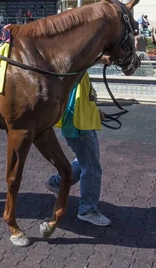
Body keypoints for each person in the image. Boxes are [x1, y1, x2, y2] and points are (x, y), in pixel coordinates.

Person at [45, 72, 111, 227]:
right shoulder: (77, 62)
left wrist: (96, 111)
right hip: (78, 123)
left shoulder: (81, 65)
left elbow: (83, 94)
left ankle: (57, 183)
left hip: (81, 121)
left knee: (86, 161)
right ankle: (87, 210)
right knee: (92, 166)